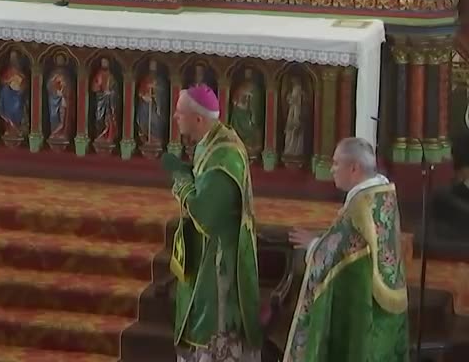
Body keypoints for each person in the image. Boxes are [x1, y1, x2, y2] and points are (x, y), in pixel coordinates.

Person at [283, 138, 409, 361]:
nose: (332, 169)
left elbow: (332, 253)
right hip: (385, 303)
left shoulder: (359, 207)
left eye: (335, 163)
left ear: (354, 168)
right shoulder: (382, 193)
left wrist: (312, 244)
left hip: (364, 305)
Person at [165, 84, 261, 362]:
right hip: (209, 251)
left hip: (220, 260)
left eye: (179, 113)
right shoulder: (211, 140)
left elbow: (204, 214)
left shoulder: (224, 156)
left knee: (214, 333)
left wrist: (181, 182)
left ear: (198, 119)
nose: (174, 117)